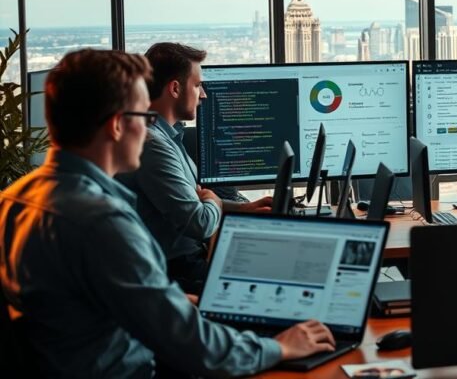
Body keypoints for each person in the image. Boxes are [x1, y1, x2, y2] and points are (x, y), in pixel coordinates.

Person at [0, 49, 335, 378]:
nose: (148, 130)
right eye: (144, 118)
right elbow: (194, 347)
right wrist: (281, 347)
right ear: (118, 126)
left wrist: (165, 300)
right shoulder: (101, 221)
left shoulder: (14, 200)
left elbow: (79, 307)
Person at [117, 43, 271, 293]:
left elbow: (199, 201)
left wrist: (243, 207)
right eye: (198, 85)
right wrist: (214, 203)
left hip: (187, 263)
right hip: (179, 272)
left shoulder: (168, 136)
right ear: (175, 88)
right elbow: (199, 222)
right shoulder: (153, 145)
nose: (204, 95)